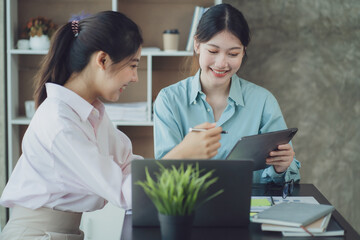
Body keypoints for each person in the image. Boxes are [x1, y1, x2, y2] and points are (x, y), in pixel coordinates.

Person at [0, 11, 222, 240]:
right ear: (102, 60)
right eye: (133, 65)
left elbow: (128, 166)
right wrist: (181, 153)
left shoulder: (91, 113)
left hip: (60, 233)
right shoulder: (59, 123)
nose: (135, 77)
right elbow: (124, 194)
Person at [153, 3, 300, 184]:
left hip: (249, 208)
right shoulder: (169, 100)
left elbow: (287, 178)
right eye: (213, 51)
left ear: (243, 52)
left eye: (233, 54)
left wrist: (282, 167)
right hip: (189, 206)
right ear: (197, 45)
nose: (222, 63)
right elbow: (161, 175)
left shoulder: (263, 101)